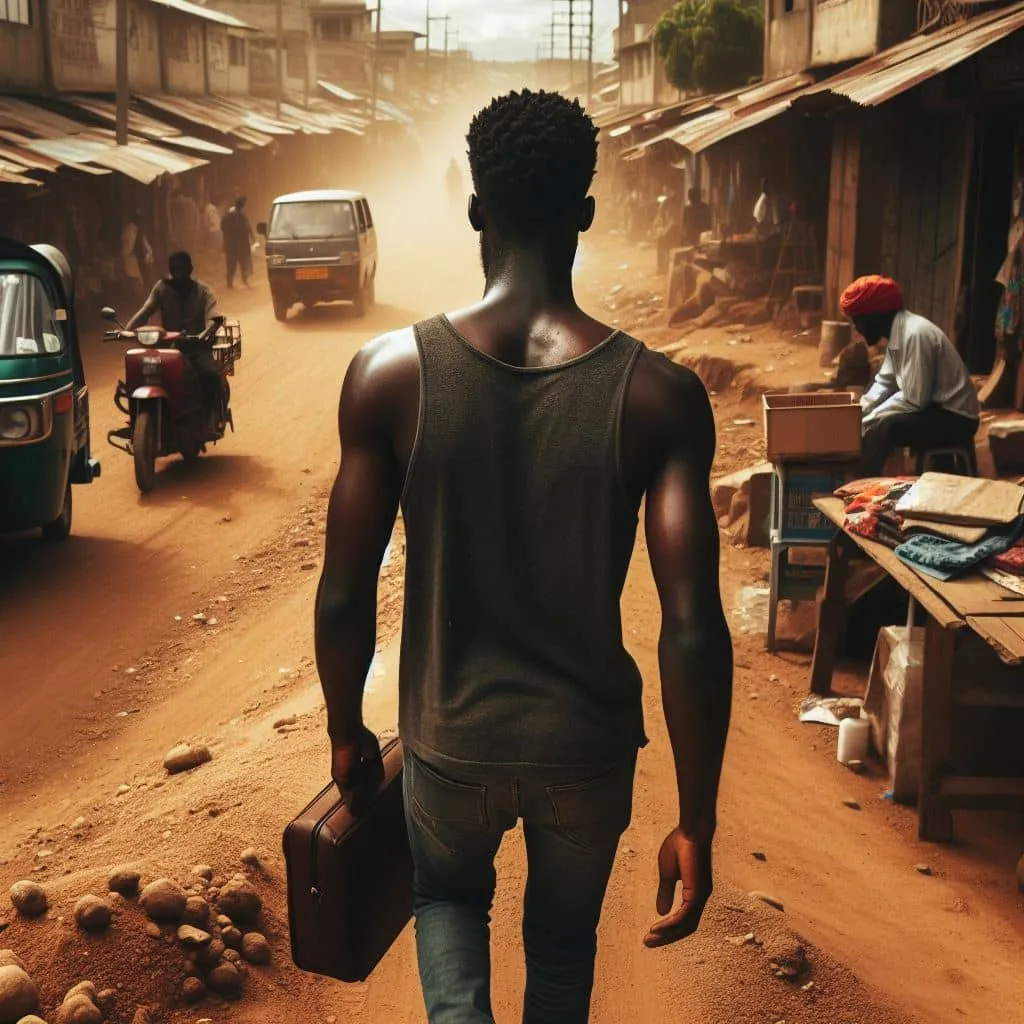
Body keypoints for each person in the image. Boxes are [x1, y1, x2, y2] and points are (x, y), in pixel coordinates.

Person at [314, 89, 732, 1024]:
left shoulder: (390, 374)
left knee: (448, 901)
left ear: (475, 210)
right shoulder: (659, 396)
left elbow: (344, 592)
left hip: (447, 746)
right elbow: (694, 625)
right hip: (585, 754)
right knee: (559, 951)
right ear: (585, 212)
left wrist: (347, 728)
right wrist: (696, 818)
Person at [842, 275, 980, 475]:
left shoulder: (915, 334)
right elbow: (885, 382)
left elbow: (915, 399)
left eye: (858, 320)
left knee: (888, 427)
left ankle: (857, 480)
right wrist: (857, 412)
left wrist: (869, 420)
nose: (857, 328)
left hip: (957, 418)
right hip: (935, 408)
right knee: (877, 422)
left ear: (876, 316)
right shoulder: (898, 334)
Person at [127, 251, 223, 429]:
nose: (178, 272)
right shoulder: (162, 288)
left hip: (196, 347)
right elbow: (145, 310)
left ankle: (208, 415)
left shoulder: (203, 291)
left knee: (210, 375)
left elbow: (213, 315)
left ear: (190, 269)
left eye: (182, 267)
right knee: (143, 373)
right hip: (169, 348)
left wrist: (208, 330)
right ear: (169, 269)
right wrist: (126, 330)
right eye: (174, 267)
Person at [221, 196, 254, 289]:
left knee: (232, 264)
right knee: (240, 263)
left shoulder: (230, 214)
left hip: (232, 244)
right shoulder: (240, 215)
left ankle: (231, 283)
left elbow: (223, 227)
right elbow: (247, 228)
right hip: (239, 244)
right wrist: (252, 237)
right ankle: (241, 281)